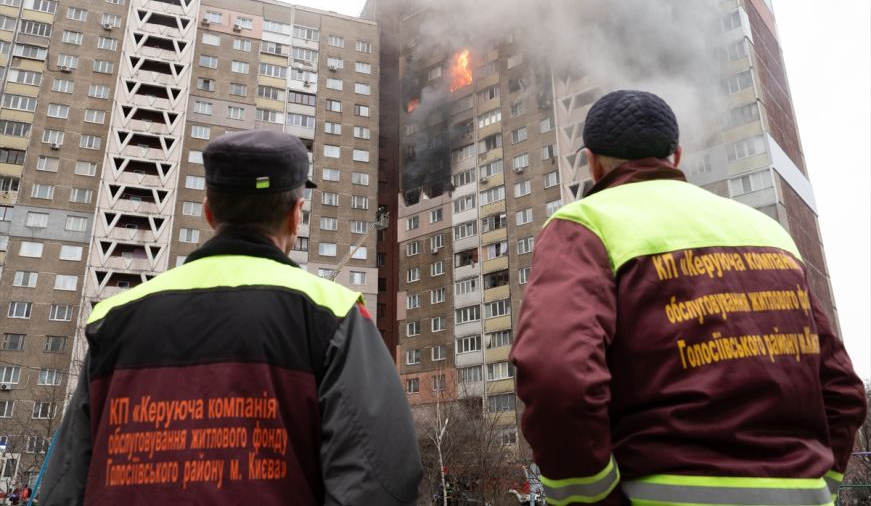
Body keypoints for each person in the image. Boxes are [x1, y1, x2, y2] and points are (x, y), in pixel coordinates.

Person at [510, 90, 867, 505]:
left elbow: (557, 374)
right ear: (676, 156)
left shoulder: (584, 225)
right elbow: (842, 391)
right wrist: (822, 485)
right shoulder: (768, 233)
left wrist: (590, 498)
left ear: (591, 161)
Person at [41, 130, 422, 505]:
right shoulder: (334, 314)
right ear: (295, 215)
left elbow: (63, 483)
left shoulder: (113, 319)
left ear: (208, 212)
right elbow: (381, 477)